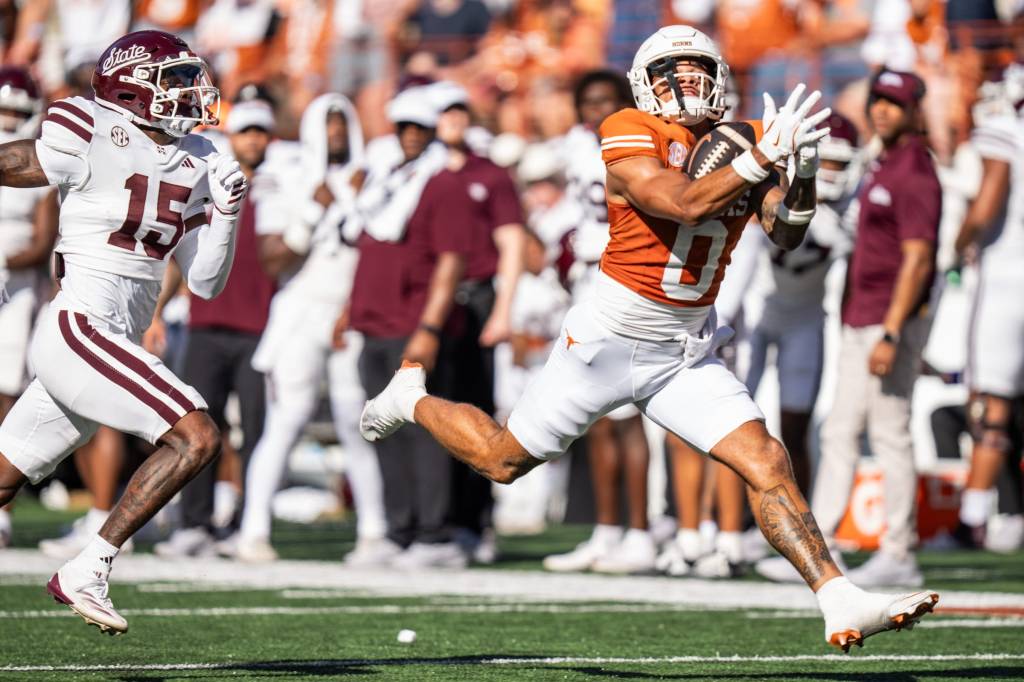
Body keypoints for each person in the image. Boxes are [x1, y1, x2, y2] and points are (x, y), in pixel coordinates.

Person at [361, 25, 938, 650]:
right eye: (673, 68)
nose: (687, 78)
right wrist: (761, 159)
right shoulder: (630, 128)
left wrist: (798, 173)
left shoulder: (740, 140)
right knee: (503, 460)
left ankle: (838, 597)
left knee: (768, 459)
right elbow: (682, 202)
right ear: (645, 81)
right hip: (610, 334)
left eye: (699, 67)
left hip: (683, 349)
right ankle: (409, 398)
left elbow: (787, 231)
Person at [0, 30, 247, 634]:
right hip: (79, 329)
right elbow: (18, 160)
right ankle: (89, 567)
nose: (194, 90)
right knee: (196, 435)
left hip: (114, 343)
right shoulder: (89, 127)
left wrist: (225, 216)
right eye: (178, 79)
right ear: (136, 89)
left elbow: (206, 283)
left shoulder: (204, 156)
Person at [236, 92, 388, 566]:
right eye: (329, 124)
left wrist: (355, 308)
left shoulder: (374, 178)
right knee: (286, 420)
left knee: (358, 423)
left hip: (351, 316)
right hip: (301, 311)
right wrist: (310, 212)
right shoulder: (288, 176)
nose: (338, 133)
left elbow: (380, 255)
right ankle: (253, 529)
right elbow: (273, 257)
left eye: (345, 123)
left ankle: (374, 534)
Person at [803, 69, 941, 589]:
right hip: (862, 317)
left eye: (894, 102)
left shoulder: (914, 172)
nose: (882, 109)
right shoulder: (881, 164)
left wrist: (890, 331)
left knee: (889, 435)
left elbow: (919, 259)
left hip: (887, 321)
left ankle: (900, 550)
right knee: (839, 432)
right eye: (878, 99)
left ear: (913, 111)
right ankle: (822, 548)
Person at [345, 85, 468, 568]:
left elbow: (451, 262)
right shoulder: (385, 179)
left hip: (410, 323)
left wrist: (429, 328)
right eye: (405, 127)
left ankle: (435, 534)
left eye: (422, 128)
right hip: (373, 322)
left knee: (422, 430)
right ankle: (400, 530)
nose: (413, 136)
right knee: (383, 429)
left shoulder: (443, 183)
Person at [150, 95, 278, 558]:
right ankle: (194, 524)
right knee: (200, 425)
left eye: (261, 131)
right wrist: (159, 311)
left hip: (261, 329)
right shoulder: (207, 182)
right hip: (206, 324)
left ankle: (247, 523)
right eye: (246, 130)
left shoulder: (283, 187)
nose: (253, 140)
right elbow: (180, 250)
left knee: (260, 433)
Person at [542, 69, 659, 575]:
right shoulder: (574, 146)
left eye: (606, 101)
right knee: (593, 410)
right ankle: (606, 530)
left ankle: (641, 533)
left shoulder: (637, 145)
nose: (596, 111)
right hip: (585, 279)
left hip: (621, 277)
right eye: (588, 102)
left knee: (627, 412)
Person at [426, 81, 526, 563]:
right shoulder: (417, 172)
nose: (454, 120)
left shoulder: (492, 173)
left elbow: (511, 244)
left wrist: (504, 309)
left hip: (478, 299)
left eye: (459, 110)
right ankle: (438, 522)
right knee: (434, 410)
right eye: (445, 112)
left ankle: (475, 522)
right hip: (430, 306)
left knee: (479, 411)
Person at [743, 112, 861, 497]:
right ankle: (727, 525)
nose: (827, 171)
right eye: (821, 160)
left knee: (795, 428)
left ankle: (798, 515)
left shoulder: (855, 210)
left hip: (806, 320)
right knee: (736, 423)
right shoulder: (775, 188)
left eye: (837, 163)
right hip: (756, 313)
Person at [953, 63, 1024, 548]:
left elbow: (989, 198)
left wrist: (960, 243)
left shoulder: (1004, 125)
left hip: (1005, 279)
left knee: (989, 403)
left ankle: (973, 517)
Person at [0, 66, 58, 549]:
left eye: (17, 110)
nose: (8, 119)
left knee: (5, 395)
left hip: (16, 288)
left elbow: (42, 243)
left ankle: (2, 511)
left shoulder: (45, 163)